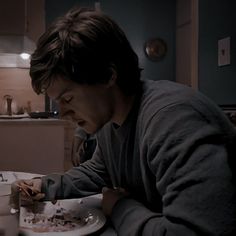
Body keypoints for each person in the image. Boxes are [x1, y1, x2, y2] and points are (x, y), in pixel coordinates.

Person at [10, 6, 236, 236]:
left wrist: (119, 207)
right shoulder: (110, 122)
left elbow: (192, 231)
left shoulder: (173, 119)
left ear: (108, 75)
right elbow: (98, 171)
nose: (64, 112)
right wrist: (43, 187)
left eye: (67, 98)